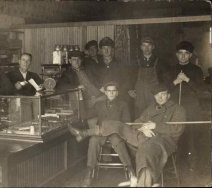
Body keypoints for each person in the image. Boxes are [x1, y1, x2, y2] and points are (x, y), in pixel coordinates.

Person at [69, 84, 186, 187]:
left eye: (163, 94)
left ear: (168, 95)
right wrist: (143, 128)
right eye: (157, 95)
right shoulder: (151, 108)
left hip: (162, 141)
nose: (160, 97)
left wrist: (155, 126)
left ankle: (84, 133)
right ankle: (84, 133)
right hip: (144, 137)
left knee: (145, 151)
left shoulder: (178, 109)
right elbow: (135, 123)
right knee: (116, 124)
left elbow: (178, 129)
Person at [69, 81, 132, 187]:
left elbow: (126, 123)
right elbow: (84, 115)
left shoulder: (123, 105)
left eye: (114, 91)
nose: (111, 93)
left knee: (117, 140)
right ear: (105, 93)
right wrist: (80, 97)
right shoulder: (99, 105)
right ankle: (89, 174)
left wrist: (114, 126)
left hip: (116, 134)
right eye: (109, 91)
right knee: (93, 140)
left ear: (117, 93)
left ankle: (131, 171)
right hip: (100, 134)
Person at [169, 41, 206, 173]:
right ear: (176, 54)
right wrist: (175, 81)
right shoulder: (171, 69)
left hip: (191, 108)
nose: (183, 56)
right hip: (175, 107)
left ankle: (192, 165)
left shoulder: (196, 70)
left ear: (190, 55)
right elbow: (164, 90)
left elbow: (200, 90)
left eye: (186, 54)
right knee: (176, 135)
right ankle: (176, 164)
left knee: (191, 136)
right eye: (180, 53)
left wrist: (187, 79)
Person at [128, 37, 170, 118]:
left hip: (155, 96)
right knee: (139, 116)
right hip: (139, 96)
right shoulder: (135, 62)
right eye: (144, 45)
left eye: (149, 45)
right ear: (141, 47)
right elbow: (129, 78)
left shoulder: (161, 62)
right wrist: (130, 89)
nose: (146, 48)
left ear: (153, 47)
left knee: (155, 115)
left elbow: (166, 80)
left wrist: (163, 93)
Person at [56, 51, 103, 119]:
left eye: (79, 59)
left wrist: (102, 87)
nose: (77, 62)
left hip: (97, 96)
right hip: (84, 101)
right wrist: (76, 87)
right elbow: (60, 85)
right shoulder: (67, 73)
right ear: (70, 61)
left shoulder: (87, 70)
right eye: (74, 59)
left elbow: (97, 80)